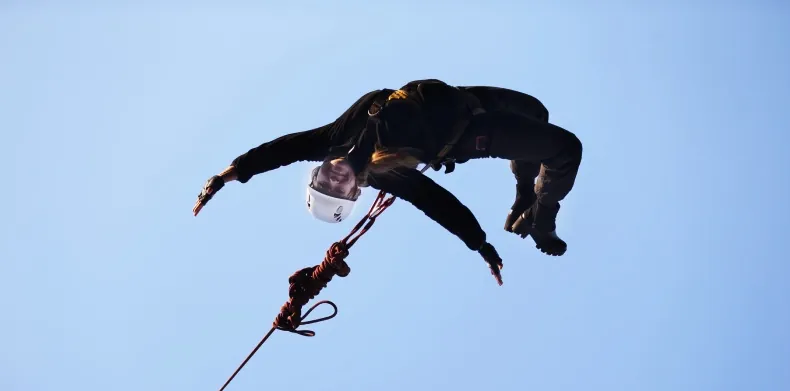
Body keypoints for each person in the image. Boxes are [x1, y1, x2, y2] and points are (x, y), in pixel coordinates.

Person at [194, 79, 582, 283]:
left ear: (318, 169)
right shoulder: (388, 175)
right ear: (354, 192)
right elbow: (437, 203)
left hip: (462, 97)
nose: (332, 179)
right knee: (565, 150)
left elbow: (279, 150)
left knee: (538, 113)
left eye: (322, 180)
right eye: (336, 190)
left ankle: (523, 199)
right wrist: (479, 244)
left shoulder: (329, 139)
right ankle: (544, 216)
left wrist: (225, 176)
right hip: (470, 132)